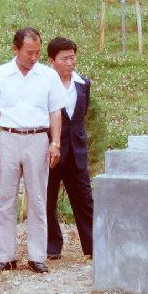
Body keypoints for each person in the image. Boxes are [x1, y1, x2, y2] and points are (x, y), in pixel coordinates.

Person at [0, 27, 67, 274]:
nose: (34, 57)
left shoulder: (47, 76)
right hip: (8, 137)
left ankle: (37, 255)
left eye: (37, 52)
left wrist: (55, 143)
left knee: (38, 198)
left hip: (38, 138)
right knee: (6, 198)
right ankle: (5, 255)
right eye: (29, 52)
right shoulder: (0, 74)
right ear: (15, 50)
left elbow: (55, 111)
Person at [45, 37, 94, 260]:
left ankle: (92, 246)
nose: (70, 62)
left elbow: (80, 117)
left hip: (77, 152)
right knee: (47, 200)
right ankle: (52, 246)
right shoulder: (43, 83)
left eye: (73, 57)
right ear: (52, 61)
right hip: (50, 151)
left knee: (84, 200)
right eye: (64, 59)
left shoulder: (83, 83)